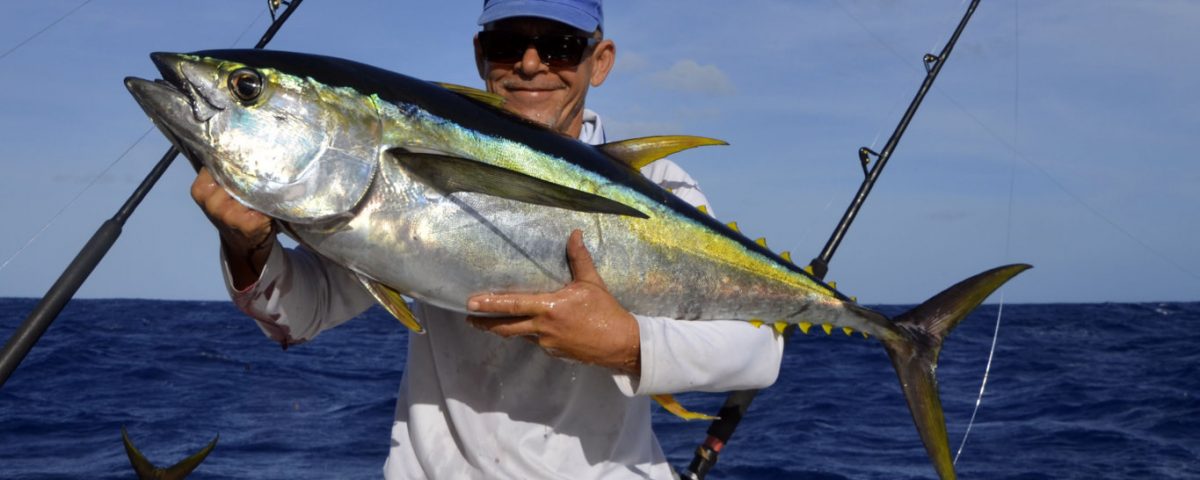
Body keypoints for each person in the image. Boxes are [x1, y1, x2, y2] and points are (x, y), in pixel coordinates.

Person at [190, 1, 784, 478]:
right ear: (480, 53)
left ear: (598, 60)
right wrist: (248, 247)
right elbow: (304, 313)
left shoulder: (658, 185)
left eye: (558, 46)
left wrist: (625, 343)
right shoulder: (384, 181)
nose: (530, 64)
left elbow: (758, 350)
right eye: (508, 43)